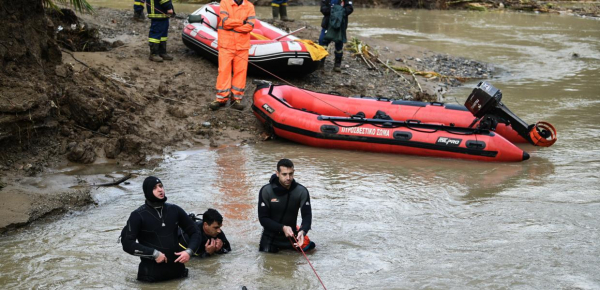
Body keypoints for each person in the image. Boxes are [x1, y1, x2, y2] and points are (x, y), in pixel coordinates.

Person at [121, 176, 200, 282]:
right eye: (154, 188)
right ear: (148, 191)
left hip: (178, 275)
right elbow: (127, 243)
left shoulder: (175, 210)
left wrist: (189, 251)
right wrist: (153, 253)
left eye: (161, 186)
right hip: (150, 278)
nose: (160, 189)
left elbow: (196, 232)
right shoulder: (138, 215)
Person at [258, 159, 316, 253]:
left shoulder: (301, 191)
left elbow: (307, 216)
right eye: (284, 174)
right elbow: (263, 219)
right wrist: (283, 228)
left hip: (292, 236)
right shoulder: (266, 191)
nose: (288, 178)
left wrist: (303, 231)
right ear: (277, 173)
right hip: (270, 239)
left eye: (291, 174)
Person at [209, 0, 255, 111]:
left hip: (242, 46)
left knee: (241, 72)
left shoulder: (249, 6)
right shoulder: (225, 2)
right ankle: (221, 98)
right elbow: (225, 22)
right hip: (226, 44)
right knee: (223, 71)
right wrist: (242, 22)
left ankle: (236, 99)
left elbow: (250, 26)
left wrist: (234, 26)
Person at [318, 0, 353, 72]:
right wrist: (333, 10)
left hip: (340, 26)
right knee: (322, 42)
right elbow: (323, 9)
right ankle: (321, 64)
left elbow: (349, 9)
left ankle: (337, 65)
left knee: (339, 45)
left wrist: (339, 12)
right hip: (327, 25)